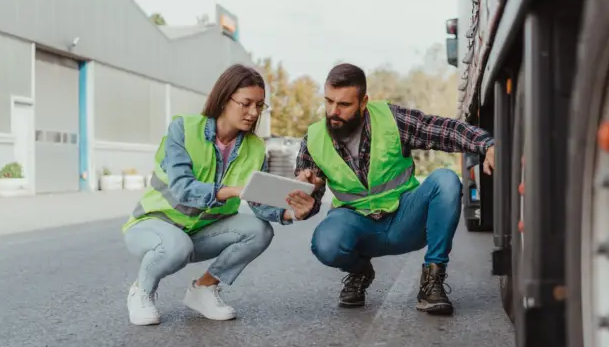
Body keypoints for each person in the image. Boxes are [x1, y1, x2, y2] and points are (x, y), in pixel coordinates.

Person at [292, 63, 495, 316]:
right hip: (358, 227)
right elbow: (307, 203)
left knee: (446, 179)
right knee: (326, 242)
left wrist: (486, 145)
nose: (334, 111)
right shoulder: (313, 140)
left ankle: (432, 280)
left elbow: (444, 129)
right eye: (329, 101)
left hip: (405, 221)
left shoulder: (391, 120)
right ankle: (359, 271)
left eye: (344, 105)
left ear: (363, 102)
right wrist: (305, 197)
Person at [121, 64, 316, 326]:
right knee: (176, 245)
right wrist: (235, 191)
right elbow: (182, 188)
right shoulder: (183, 129)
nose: (253, 112)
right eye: (246, 103)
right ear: (224, 99)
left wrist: (291, 209)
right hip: (153, 226)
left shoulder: (256, 148)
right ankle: (142, 291)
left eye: (259, 106)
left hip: (200, 231)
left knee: (260, 230)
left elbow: (259, 203)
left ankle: (203, 289)